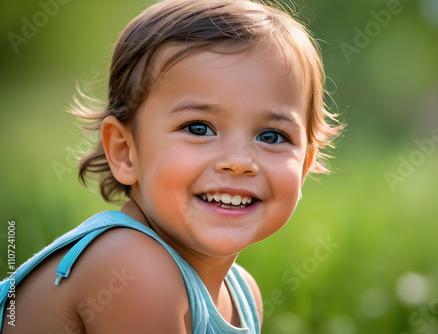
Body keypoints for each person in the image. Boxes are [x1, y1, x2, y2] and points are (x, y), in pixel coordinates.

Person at [0, 0, 342, 332]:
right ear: (125, 152)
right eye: (198, 128)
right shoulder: (129, 269)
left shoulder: (244, 296)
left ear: (305, 164)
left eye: (271, 136)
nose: (238, 162)